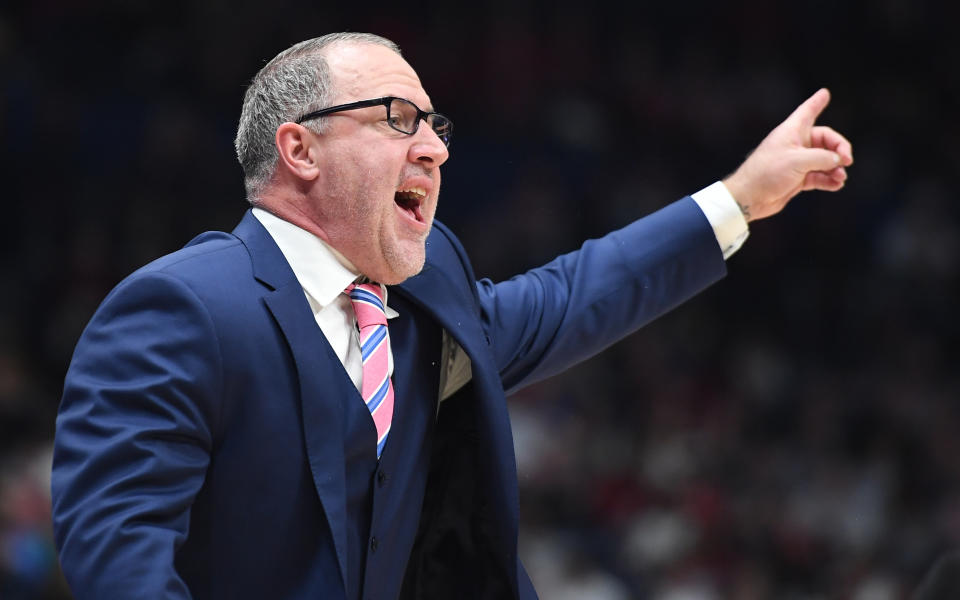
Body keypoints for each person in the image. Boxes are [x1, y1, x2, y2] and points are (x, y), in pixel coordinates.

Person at [50, 32, 853, 600]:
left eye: (436, 126)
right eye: (400, 118)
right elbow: (121, 563)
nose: (433, 148)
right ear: (300, 150)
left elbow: (576, 294)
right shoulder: (180, 309)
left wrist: (742, 198)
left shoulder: (432, 292)